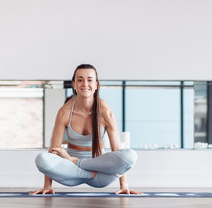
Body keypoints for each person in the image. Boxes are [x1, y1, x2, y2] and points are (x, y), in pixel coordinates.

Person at [30, 64, 141, 195]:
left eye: (89, 80)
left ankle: (78, 163)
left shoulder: (105, 111)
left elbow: (116, 150)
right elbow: (54, 150)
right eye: (80, 80)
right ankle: (84, 170)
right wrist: (47, 186)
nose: (85, 84)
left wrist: (124, 185)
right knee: (41, 159)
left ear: (96, 84)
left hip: (101, 175)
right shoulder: (65, 112)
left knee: (130, 156)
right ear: (74, 84)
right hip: (71, 173)